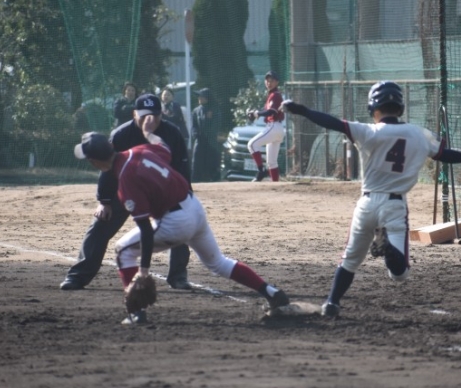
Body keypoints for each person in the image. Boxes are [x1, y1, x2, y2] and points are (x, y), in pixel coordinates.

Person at [280, 80, 461, 318]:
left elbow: (332, 122)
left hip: (366, 204)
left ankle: (332, 303)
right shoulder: (418, 134)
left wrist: (303, 110)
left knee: (349, 261)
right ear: (400, 107)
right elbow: (445, 155)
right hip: (394, 206)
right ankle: (388, 247)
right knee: (399, 274)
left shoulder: (367, 131)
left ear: (373, 107)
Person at [73, 125, 290, 323]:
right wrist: (148, 133)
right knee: (218, 262)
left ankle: (136, 313)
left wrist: (144, 272)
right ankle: (271, 293)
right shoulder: (140, 150)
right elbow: (163, 148)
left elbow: (146, 230)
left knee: (123, 250)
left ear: (95, 162)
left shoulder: (126, 180)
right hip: (194, 207)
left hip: (175, 222)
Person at [61, 93, 192, 291]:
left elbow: (181, 167)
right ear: (134, 114)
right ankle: (78, 276)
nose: (150, 119)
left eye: (155, 115)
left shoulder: (172, 133)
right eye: (145, 115)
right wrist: (104, 201)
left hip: (160, 193)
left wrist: (185, 197)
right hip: (125, 190)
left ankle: (178, 276)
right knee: (99, 226)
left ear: (161, 115)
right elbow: (107, 169)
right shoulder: (121, 134)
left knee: (179, 226)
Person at [246, 71, 286, 182]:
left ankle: (261, 170)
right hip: (278, 129)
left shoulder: (275, 95)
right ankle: (275, 184)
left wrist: (257, 114)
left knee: (252, 144)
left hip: (274, 126)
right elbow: (266, 111)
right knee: (272, 162)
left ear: (277, 82)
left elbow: (272, 112)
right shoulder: (272, 95)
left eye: (272, 81)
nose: (269, 83)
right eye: (267, 81)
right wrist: (255, 113)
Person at [190, 88, 221, 182]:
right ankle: (195, 181)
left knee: (211, 161)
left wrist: (209, 134)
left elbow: (216, 125)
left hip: (211, 141)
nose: (199, 98)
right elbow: (194, 126)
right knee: (196, 161)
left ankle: (213, 181)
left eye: (201, 96)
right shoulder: (196, 111)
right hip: (199, 140)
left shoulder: (215, 109)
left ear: (207, 98)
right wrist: (195, 134)